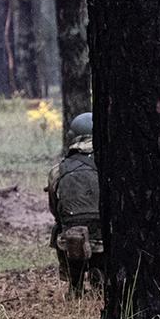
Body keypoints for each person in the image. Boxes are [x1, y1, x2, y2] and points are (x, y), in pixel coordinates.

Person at [46, 112, 103, 298]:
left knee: (60, 229)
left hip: (72, 236)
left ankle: (75, 283)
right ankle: (100, 274)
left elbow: (55, 207)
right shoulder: (109, 164)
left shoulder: (58, 170)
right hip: (104, 235)